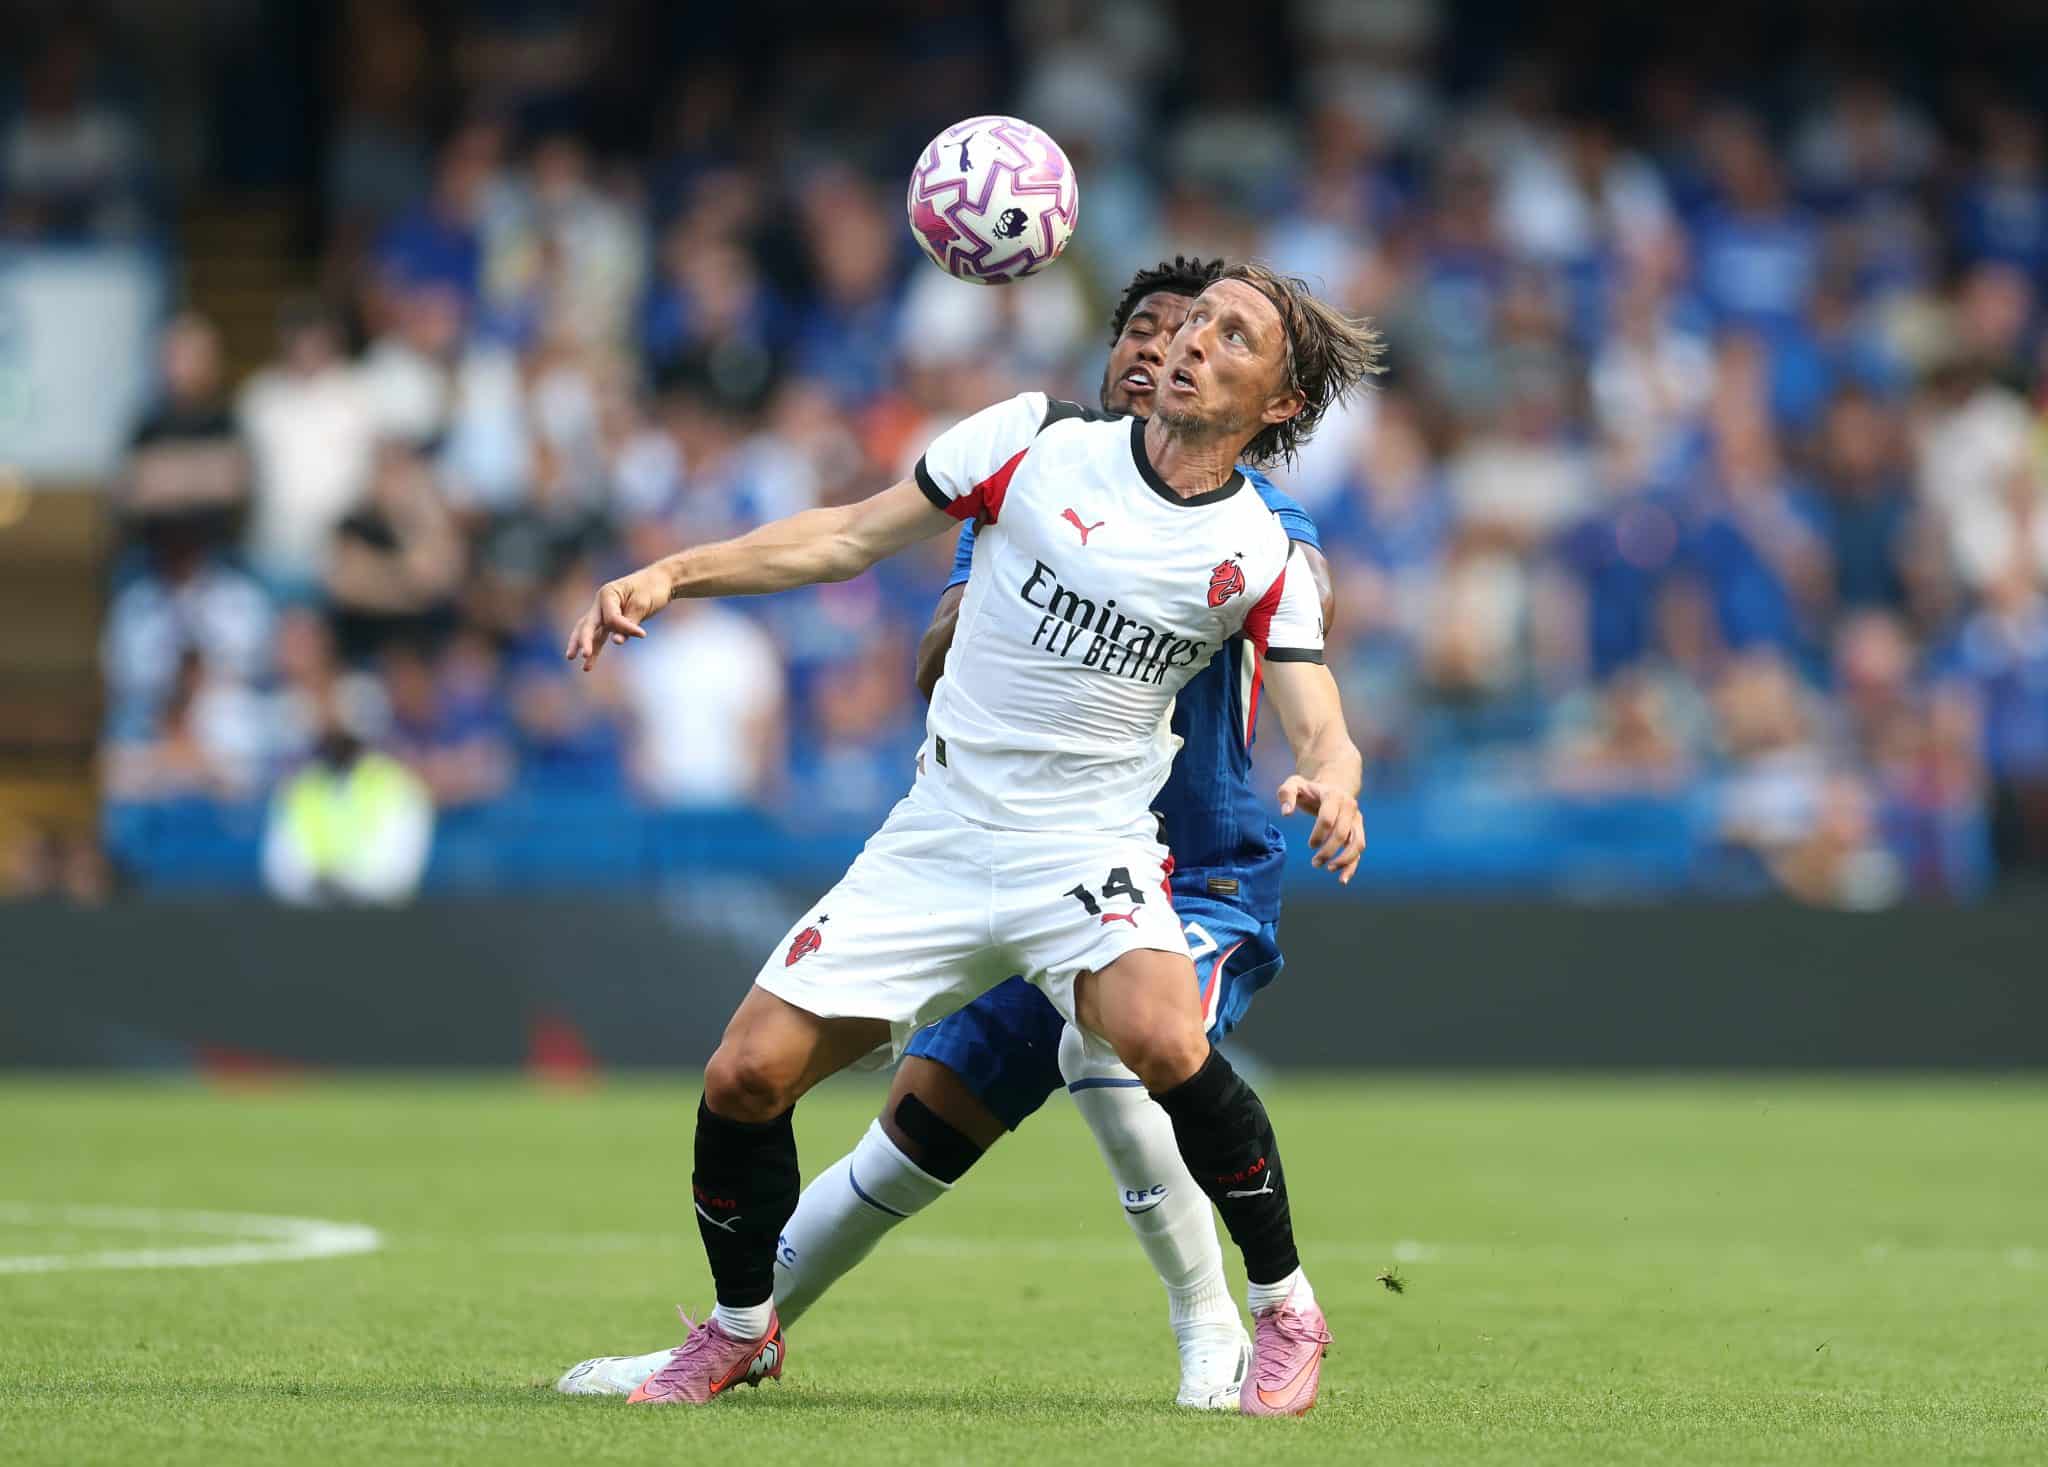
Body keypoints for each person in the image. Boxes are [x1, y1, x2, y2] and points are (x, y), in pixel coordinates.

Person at [561, 262, 1380, 1417]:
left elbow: (1317, 700)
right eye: (1172, 323)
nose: (1182, 343)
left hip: (1107, 854)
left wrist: (1332, 780)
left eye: (1222, 333)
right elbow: (851, 541)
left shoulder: (1260, 548)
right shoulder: (1032, 445)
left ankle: (1260, 1315)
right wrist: (672, 573)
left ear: (1279, 403)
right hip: (941, 838)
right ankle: (739, 1332)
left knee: (1135, 1036)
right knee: (765, 1083)